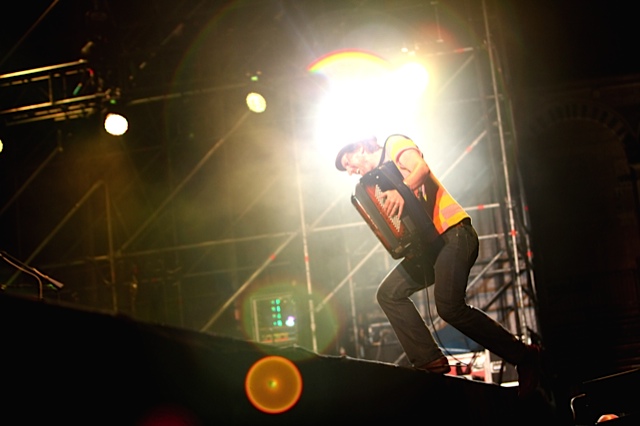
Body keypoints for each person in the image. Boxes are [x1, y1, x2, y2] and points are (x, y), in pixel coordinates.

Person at [335, 134, 542, 397]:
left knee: (449, 307)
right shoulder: (377, 181)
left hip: (455, 234)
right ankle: (429, 359)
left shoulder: (394, 144)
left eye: (348, 162)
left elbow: (421, 169)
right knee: (388, 294)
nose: (350, 171)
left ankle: (525, 356)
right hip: (431, 248)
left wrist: (401, 190)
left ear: (360, 148)